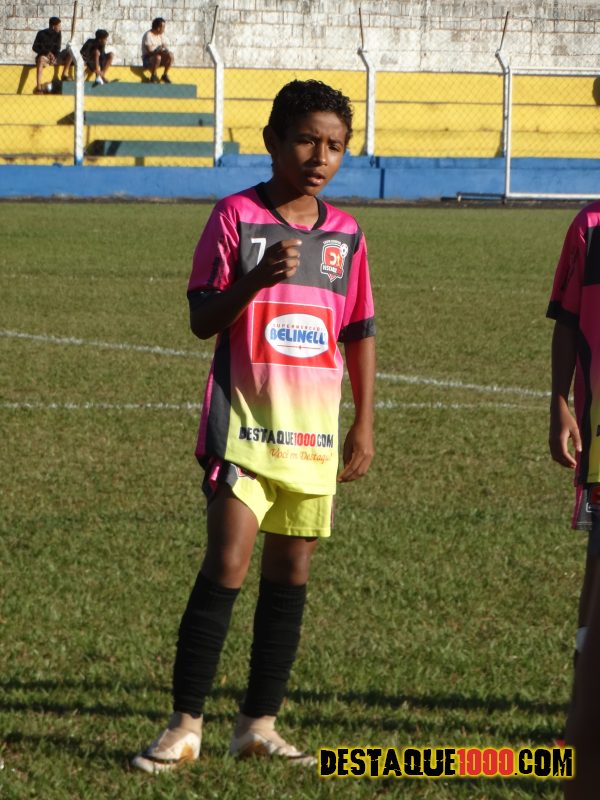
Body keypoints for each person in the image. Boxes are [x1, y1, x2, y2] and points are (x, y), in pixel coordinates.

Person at [131, 79, 376, 773]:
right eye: (305, 140)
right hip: (243, 426)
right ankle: (184, 725)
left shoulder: (347, 235)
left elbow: (358, 331)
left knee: (291, 574)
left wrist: (364, 422)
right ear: (272, 141)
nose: (320, 157)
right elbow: (201, 318)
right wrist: (256, 279)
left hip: (312, 434)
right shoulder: (236, 216)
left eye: (335, 145)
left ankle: (258, 725)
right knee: (228, 562)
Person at [547, 202, 600, 797]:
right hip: (599, 432)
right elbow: (566, 320)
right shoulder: (590, 227)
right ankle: (581, 717)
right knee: (597, 570)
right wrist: (559, 401)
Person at [32, 16, 73, 94]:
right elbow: (34, 47)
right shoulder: (41, 33)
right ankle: (39, 88)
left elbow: (58, 48)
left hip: (55, 57)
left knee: (70, 52)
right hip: (45, 58)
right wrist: (47, 53)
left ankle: (64, 74)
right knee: (40, 59)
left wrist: (54, 57)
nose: (60, 28)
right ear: (53, 26)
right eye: (59, 26)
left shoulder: (58, 33)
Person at [141, 17, 173, 84]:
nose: (164, 29)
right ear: (158, 28)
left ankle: (164, 75)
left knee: (170, 55)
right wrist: (158, 51)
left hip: (159, 58)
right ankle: (153, 76)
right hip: (148, 59)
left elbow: (165, 46)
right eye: (163, 27)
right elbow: (149, 52)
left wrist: (165, 50)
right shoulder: (148, 35)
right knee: (158, 57)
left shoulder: (161, 35)